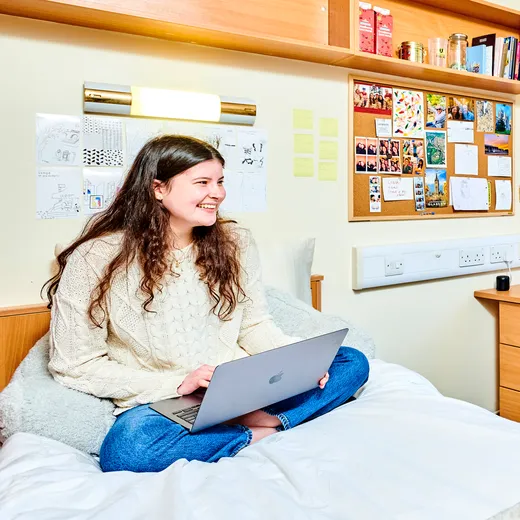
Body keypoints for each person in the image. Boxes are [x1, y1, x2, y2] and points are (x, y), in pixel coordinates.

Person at [43, 135, 369, 473]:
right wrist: (178, 383)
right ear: (158, 188)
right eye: (203, 182)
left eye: (220, 181)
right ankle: (258, 430)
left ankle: (264, 421)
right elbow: (74, 364)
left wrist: (302, 361)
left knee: (352, 361)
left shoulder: (236, 242)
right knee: (128, 451)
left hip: (242, 385)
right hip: (167, 398)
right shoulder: (95, 258)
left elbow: (254, 324)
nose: (218, 193)